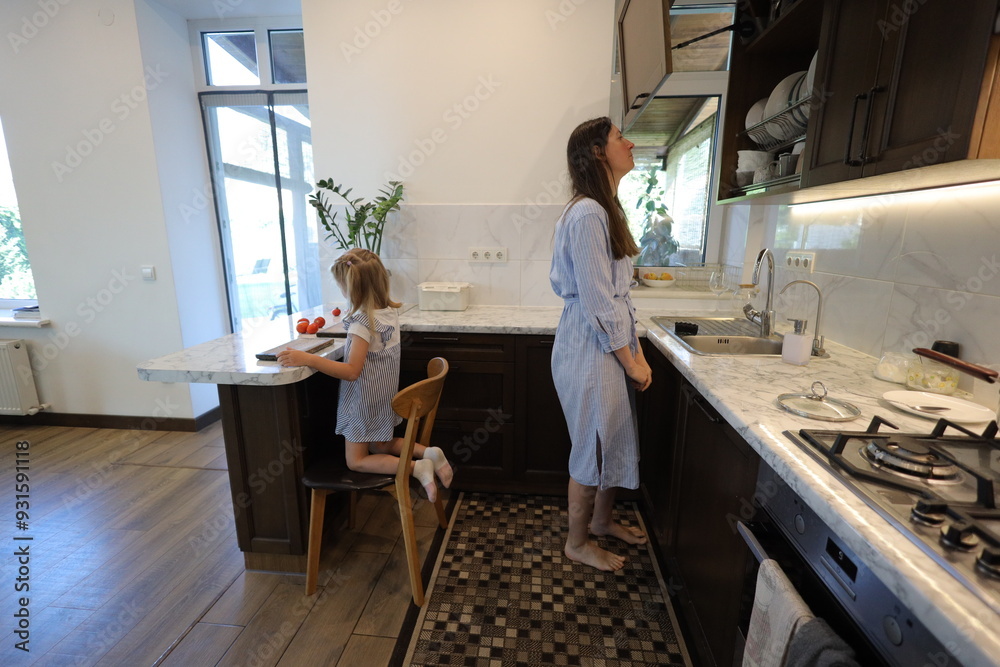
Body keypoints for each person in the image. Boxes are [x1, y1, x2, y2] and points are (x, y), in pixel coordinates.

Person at [550, 117, 653, 572]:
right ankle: (576, 543)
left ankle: (601, 522)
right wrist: (630, 361)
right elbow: (597, 301)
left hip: (605, 344)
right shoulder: (589, 213)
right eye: (618, 138)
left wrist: (636, 353)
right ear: (597, 152)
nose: (630, 144)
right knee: (592, 446)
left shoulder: (605, 209)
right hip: (590, 348)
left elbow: (618, 297)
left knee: (609, 437)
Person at [277, 248, 453, 501]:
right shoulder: (389, 314)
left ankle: (416, 467)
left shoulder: (362, 324)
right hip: (383, 398)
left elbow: (351, 372)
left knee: (357, 460)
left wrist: (308, 359)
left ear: (352, 289)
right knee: (379, 444)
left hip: (362, 403)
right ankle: (429, 453)